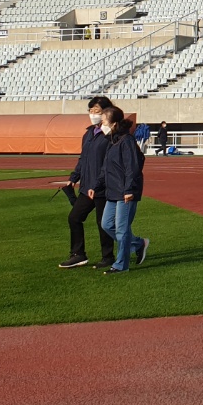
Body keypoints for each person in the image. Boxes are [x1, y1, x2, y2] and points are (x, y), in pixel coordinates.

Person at [59, 96, 117, 270]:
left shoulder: (111, 136)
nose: (93, 115)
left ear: (106, 113)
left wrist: (98, 184)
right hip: (87, 186)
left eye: (97, 111)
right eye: (91, 111)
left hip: (104, 187)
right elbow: (83, 158)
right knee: (74, 217)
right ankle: (78, 254)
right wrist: (74, 177)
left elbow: (109, 163)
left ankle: (108, 256)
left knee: (103, 223)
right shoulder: (88, 134)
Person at [98, 105, 149, 274]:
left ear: (113, 123)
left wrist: (129, 190)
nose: (101, 124)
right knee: (106, 224)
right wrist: (96, 185)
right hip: (112, 191)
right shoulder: (112, 141)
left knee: (122, 228)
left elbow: (132, 167)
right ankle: (137, 244)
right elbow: (107, 168)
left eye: (104, 121)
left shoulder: (126, 141)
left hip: (126, 192)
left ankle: (121, 265)